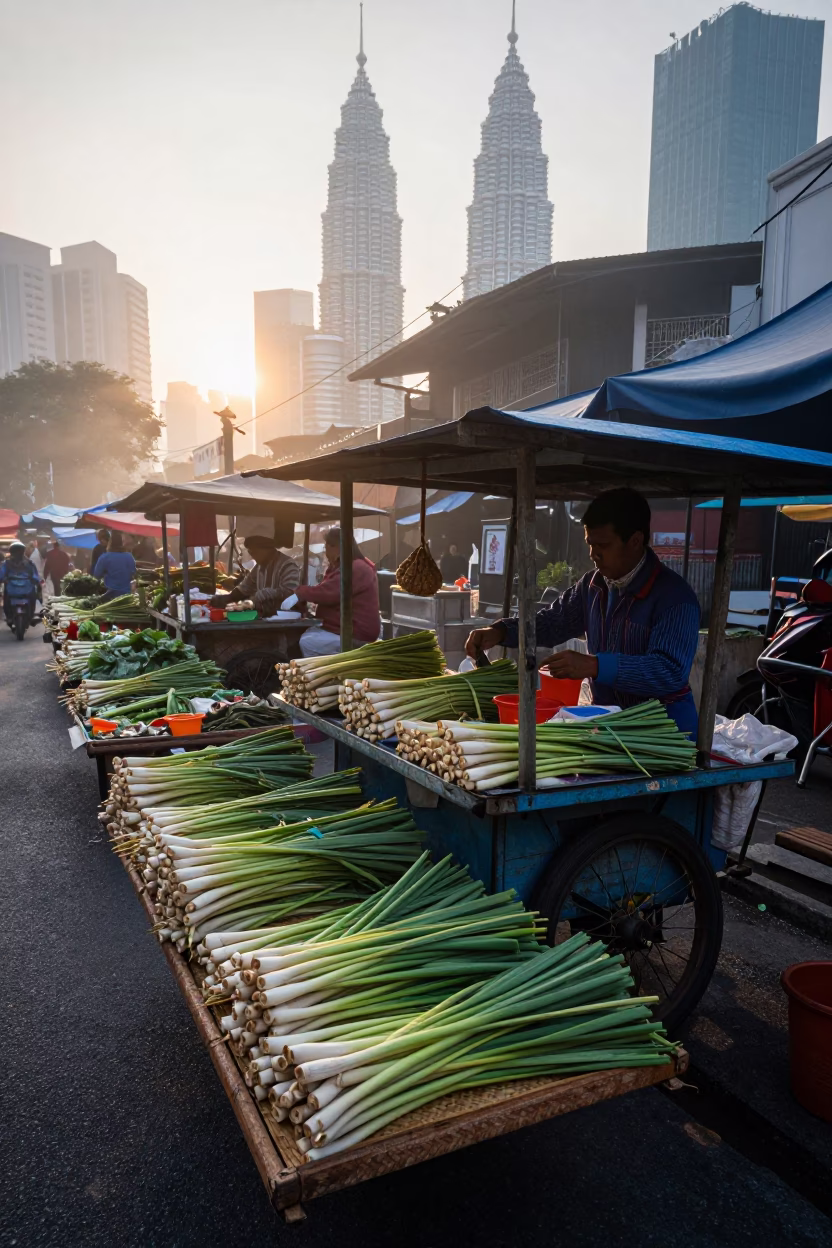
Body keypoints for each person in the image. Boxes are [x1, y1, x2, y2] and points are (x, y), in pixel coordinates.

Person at [465, 488, 701, 735]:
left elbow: (668, 671)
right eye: (590, 544)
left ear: (635, 541)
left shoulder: (675, 597)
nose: (593, 555)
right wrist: (501, 631)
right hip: (609, 728)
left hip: (664, 735)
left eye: (603, 545)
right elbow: (553, 622)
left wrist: (596, 666)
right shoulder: (593, 586)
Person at [289, 527, 381, 658]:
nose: (325, 553)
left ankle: (325, 677)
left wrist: (301, 593)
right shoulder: (340, 566)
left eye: (326, 548)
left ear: (336, 547)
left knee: (308, 643)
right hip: (339, 628)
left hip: (356, 632)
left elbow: (328, 593)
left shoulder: (357, 568)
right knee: (305, 634)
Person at [211, 535, 300, 617]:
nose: (252, 556)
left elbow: (290, 592)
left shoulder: (287, 565)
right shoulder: (259, 567)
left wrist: (263, 594)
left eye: (254, 552)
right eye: (250, 553)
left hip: (285, 617)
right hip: (265, 616)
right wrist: (228, 598)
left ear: (267, 549)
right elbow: (245, 587)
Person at [0, 540, 41, 625]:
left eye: (19, 551)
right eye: (16, 551)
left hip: (27, 587)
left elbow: (34, 574)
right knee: (6, 600)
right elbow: (2, 574)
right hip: (11, 587)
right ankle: (9, 617)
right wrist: (3, 579)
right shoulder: (7, 563)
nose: (17, 553)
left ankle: (32, 615)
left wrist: (35, 580)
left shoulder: (29, 563)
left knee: (35, 596)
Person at [94, 531, 137, 600]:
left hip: (110, 595)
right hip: (127, 595)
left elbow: (97, 575)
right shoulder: (129, 556)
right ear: (122, 543)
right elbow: (133, 573)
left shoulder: (104, 557)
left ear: (110, 543)